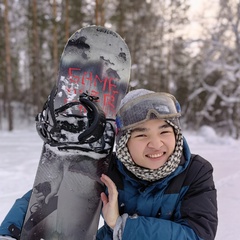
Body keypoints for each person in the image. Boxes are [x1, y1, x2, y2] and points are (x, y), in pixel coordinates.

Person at [0, 89, 218, 240]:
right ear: (124, 142)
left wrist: (120, 225)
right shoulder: (108, 169)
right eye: (142, 135)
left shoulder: (195, 172)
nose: (156, 144)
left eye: (164, 132)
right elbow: (50, 193)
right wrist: (10, 231)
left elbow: (198, 234)